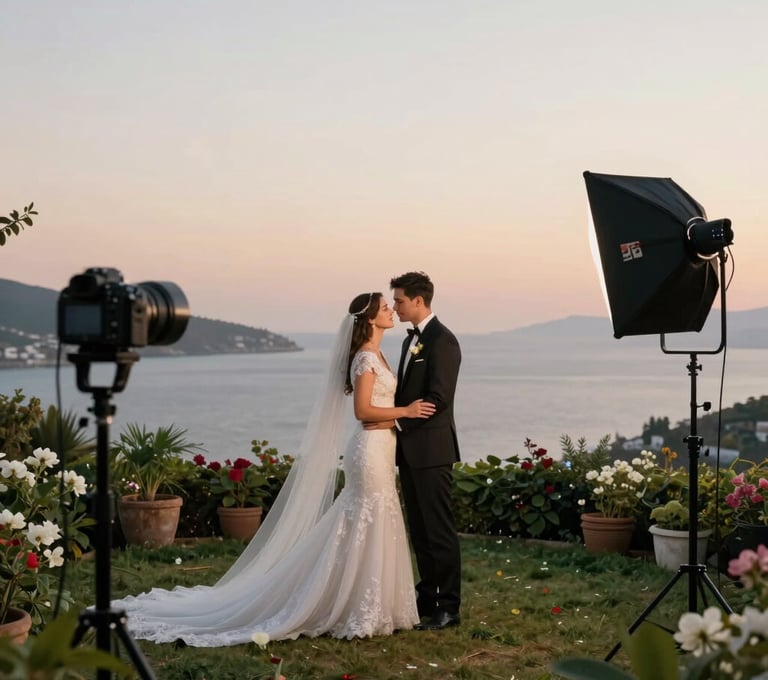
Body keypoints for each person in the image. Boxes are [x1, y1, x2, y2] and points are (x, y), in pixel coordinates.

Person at [111, 292, 435, 646]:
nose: (392, 310)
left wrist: (393, 418)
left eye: (392, 305)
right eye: (386, 308)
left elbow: (376, 407)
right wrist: (404, 412)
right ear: (371, 319)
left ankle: (374, 604)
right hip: (369, 450)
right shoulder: (364, 359)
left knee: (374, 517)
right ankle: (350, 605)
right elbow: (362, 411)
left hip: (383, 447)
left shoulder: (380, 354)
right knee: (364, 517)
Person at [390, 271, 462, 630]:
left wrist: (396, 423)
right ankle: (426, 599)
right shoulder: (409, 342)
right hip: (409, 452)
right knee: (419, 531)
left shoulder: (443, 341)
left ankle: (449, 607)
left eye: (399, 300)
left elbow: (438, 399)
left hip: (432, 451)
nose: (395, 306)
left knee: (439, 531)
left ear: (419, 300)